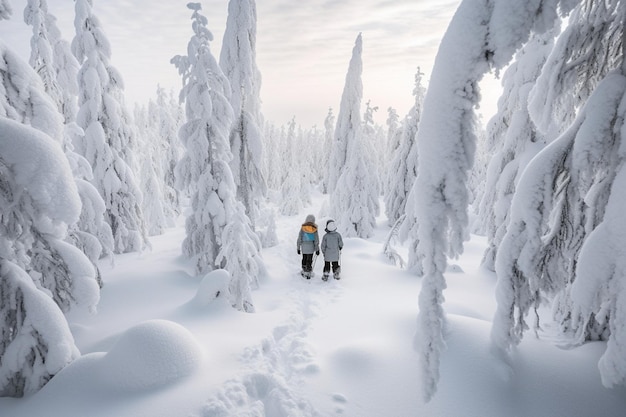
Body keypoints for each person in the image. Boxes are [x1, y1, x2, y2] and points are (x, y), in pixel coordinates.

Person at [297, 214, 320, 279]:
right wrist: (317, 249)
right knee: (309, 260)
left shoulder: (303, 228)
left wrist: (298, 248)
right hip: (311, 247)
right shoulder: (314, 229)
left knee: (304, 258)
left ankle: (304, 270)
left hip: (304, 247)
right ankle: (308, 272)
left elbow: (299, 238)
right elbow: (316, 240)